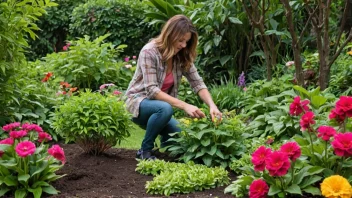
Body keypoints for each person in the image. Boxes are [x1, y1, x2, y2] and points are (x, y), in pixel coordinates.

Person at [125, 14, 222, 160]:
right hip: (138, 103)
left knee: (180, 135)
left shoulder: (181, 55)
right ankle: (145, 151)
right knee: (165, 109)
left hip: (161, 108)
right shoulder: (149, 52)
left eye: (187, 41)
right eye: (181, 40)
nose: (184, 45)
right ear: (170, 35)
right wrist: (185, 106)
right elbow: (152, 90)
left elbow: (197, 83)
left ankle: (166, 148)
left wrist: (212, 106)